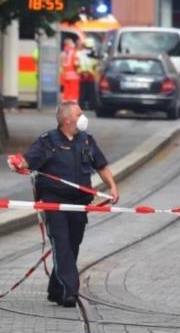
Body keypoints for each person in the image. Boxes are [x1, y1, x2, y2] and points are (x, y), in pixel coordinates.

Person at [7, 102, 119, 307]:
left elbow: (100, 165)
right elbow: (26, 162)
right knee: (62, 245)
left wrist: (112, 186)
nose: (83, 116)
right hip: (54, 203)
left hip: (79, 204)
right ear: (67, 120)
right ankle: (70, 291)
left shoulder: (86, 140)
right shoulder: (47, 141)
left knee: (72, 245)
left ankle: (56, 289)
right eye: (79, 114)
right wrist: (17, 163)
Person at [60, 38, 80, 103]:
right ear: (70, 44)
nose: (73, 44)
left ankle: (65, 102)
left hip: (65, 74)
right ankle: (73, 103)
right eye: (72, 42)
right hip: (73, 74)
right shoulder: (74, 52)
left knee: (66, 90)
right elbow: (76, 63)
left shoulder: (63, 52)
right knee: (74, 90)